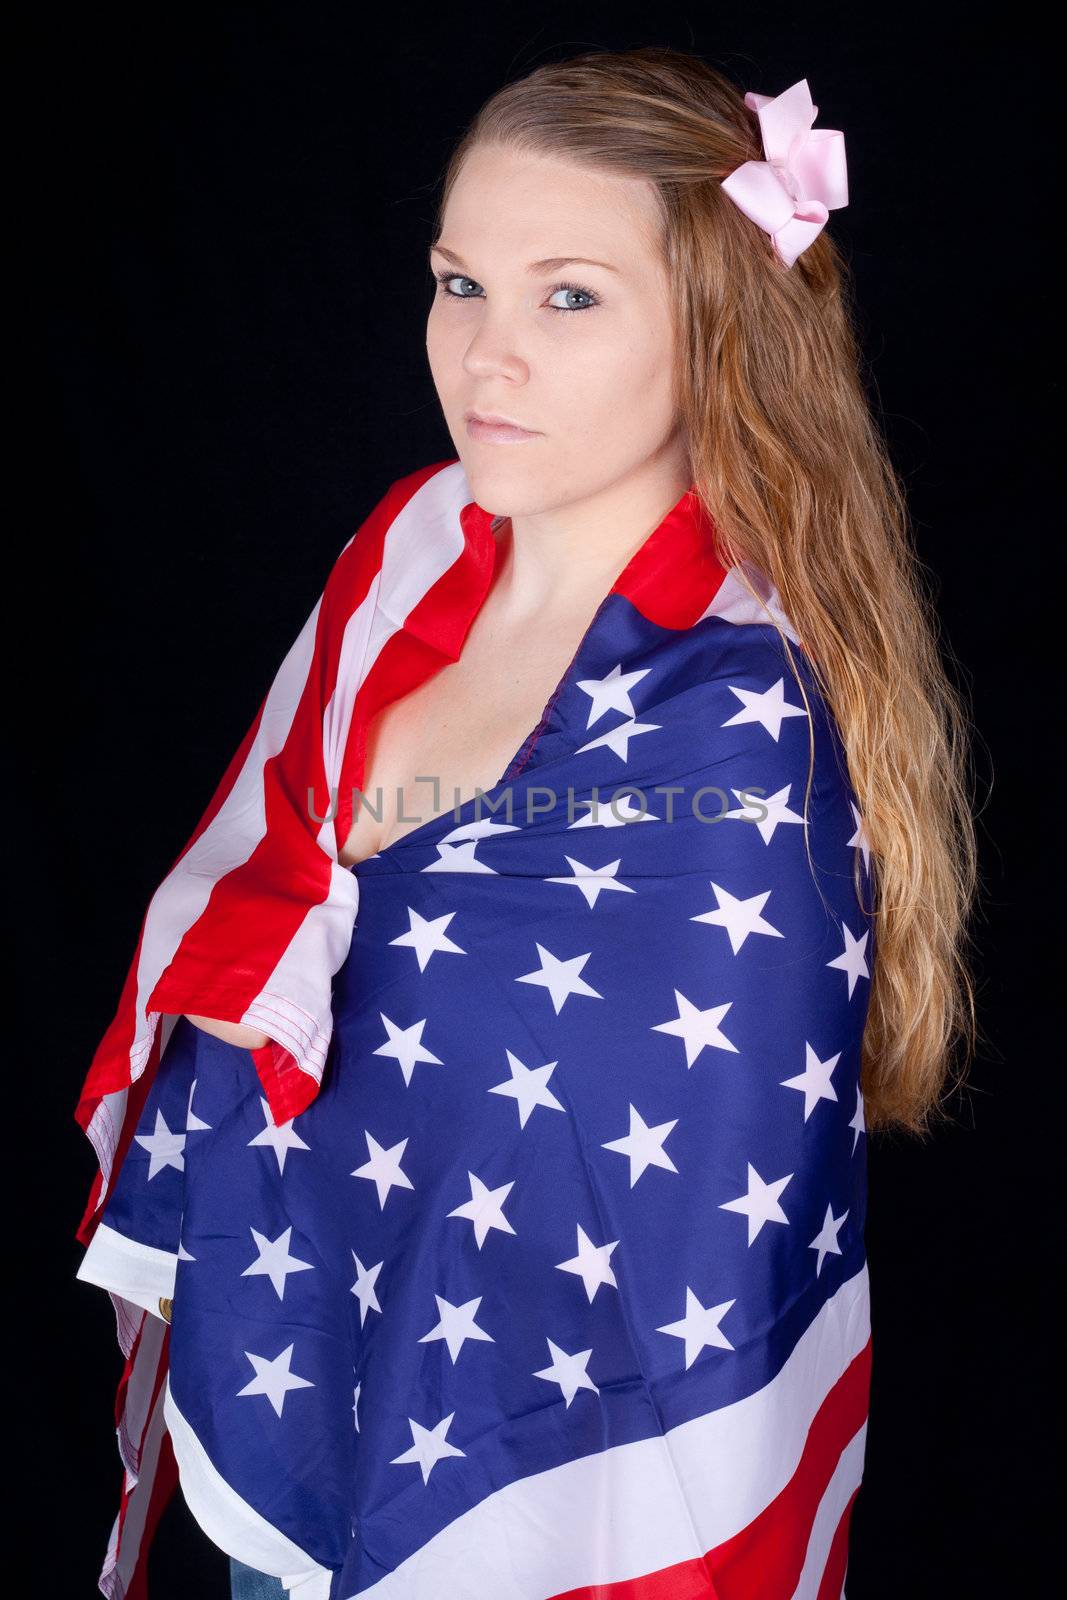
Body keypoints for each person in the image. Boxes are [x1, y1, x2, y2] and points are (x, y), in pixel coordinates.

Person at [73, 47, 977, 1600]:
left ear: (718, 323)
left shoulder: (737, 727)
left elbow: (684, 1252)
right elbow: (262, 910)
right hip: (301, 1391)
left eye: (568, 298)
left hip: (534, 1498)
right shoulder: (404, 559)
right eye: (458, 284)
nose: (485, 356)